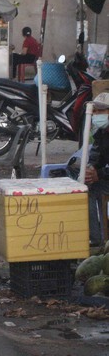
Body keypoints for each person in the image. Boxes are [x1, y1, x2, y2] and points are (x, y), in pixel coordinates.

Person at [83, 92, 109, 246]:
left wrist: (99, 174)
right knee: (85, 189)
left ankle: (98, 240)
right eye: (96, 111)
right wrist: (90, 169)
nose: (97, 115)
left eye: (102, 111)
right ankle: (96, 238)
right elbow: (96, 154)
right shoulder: (101, 132)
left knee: (92, 191)